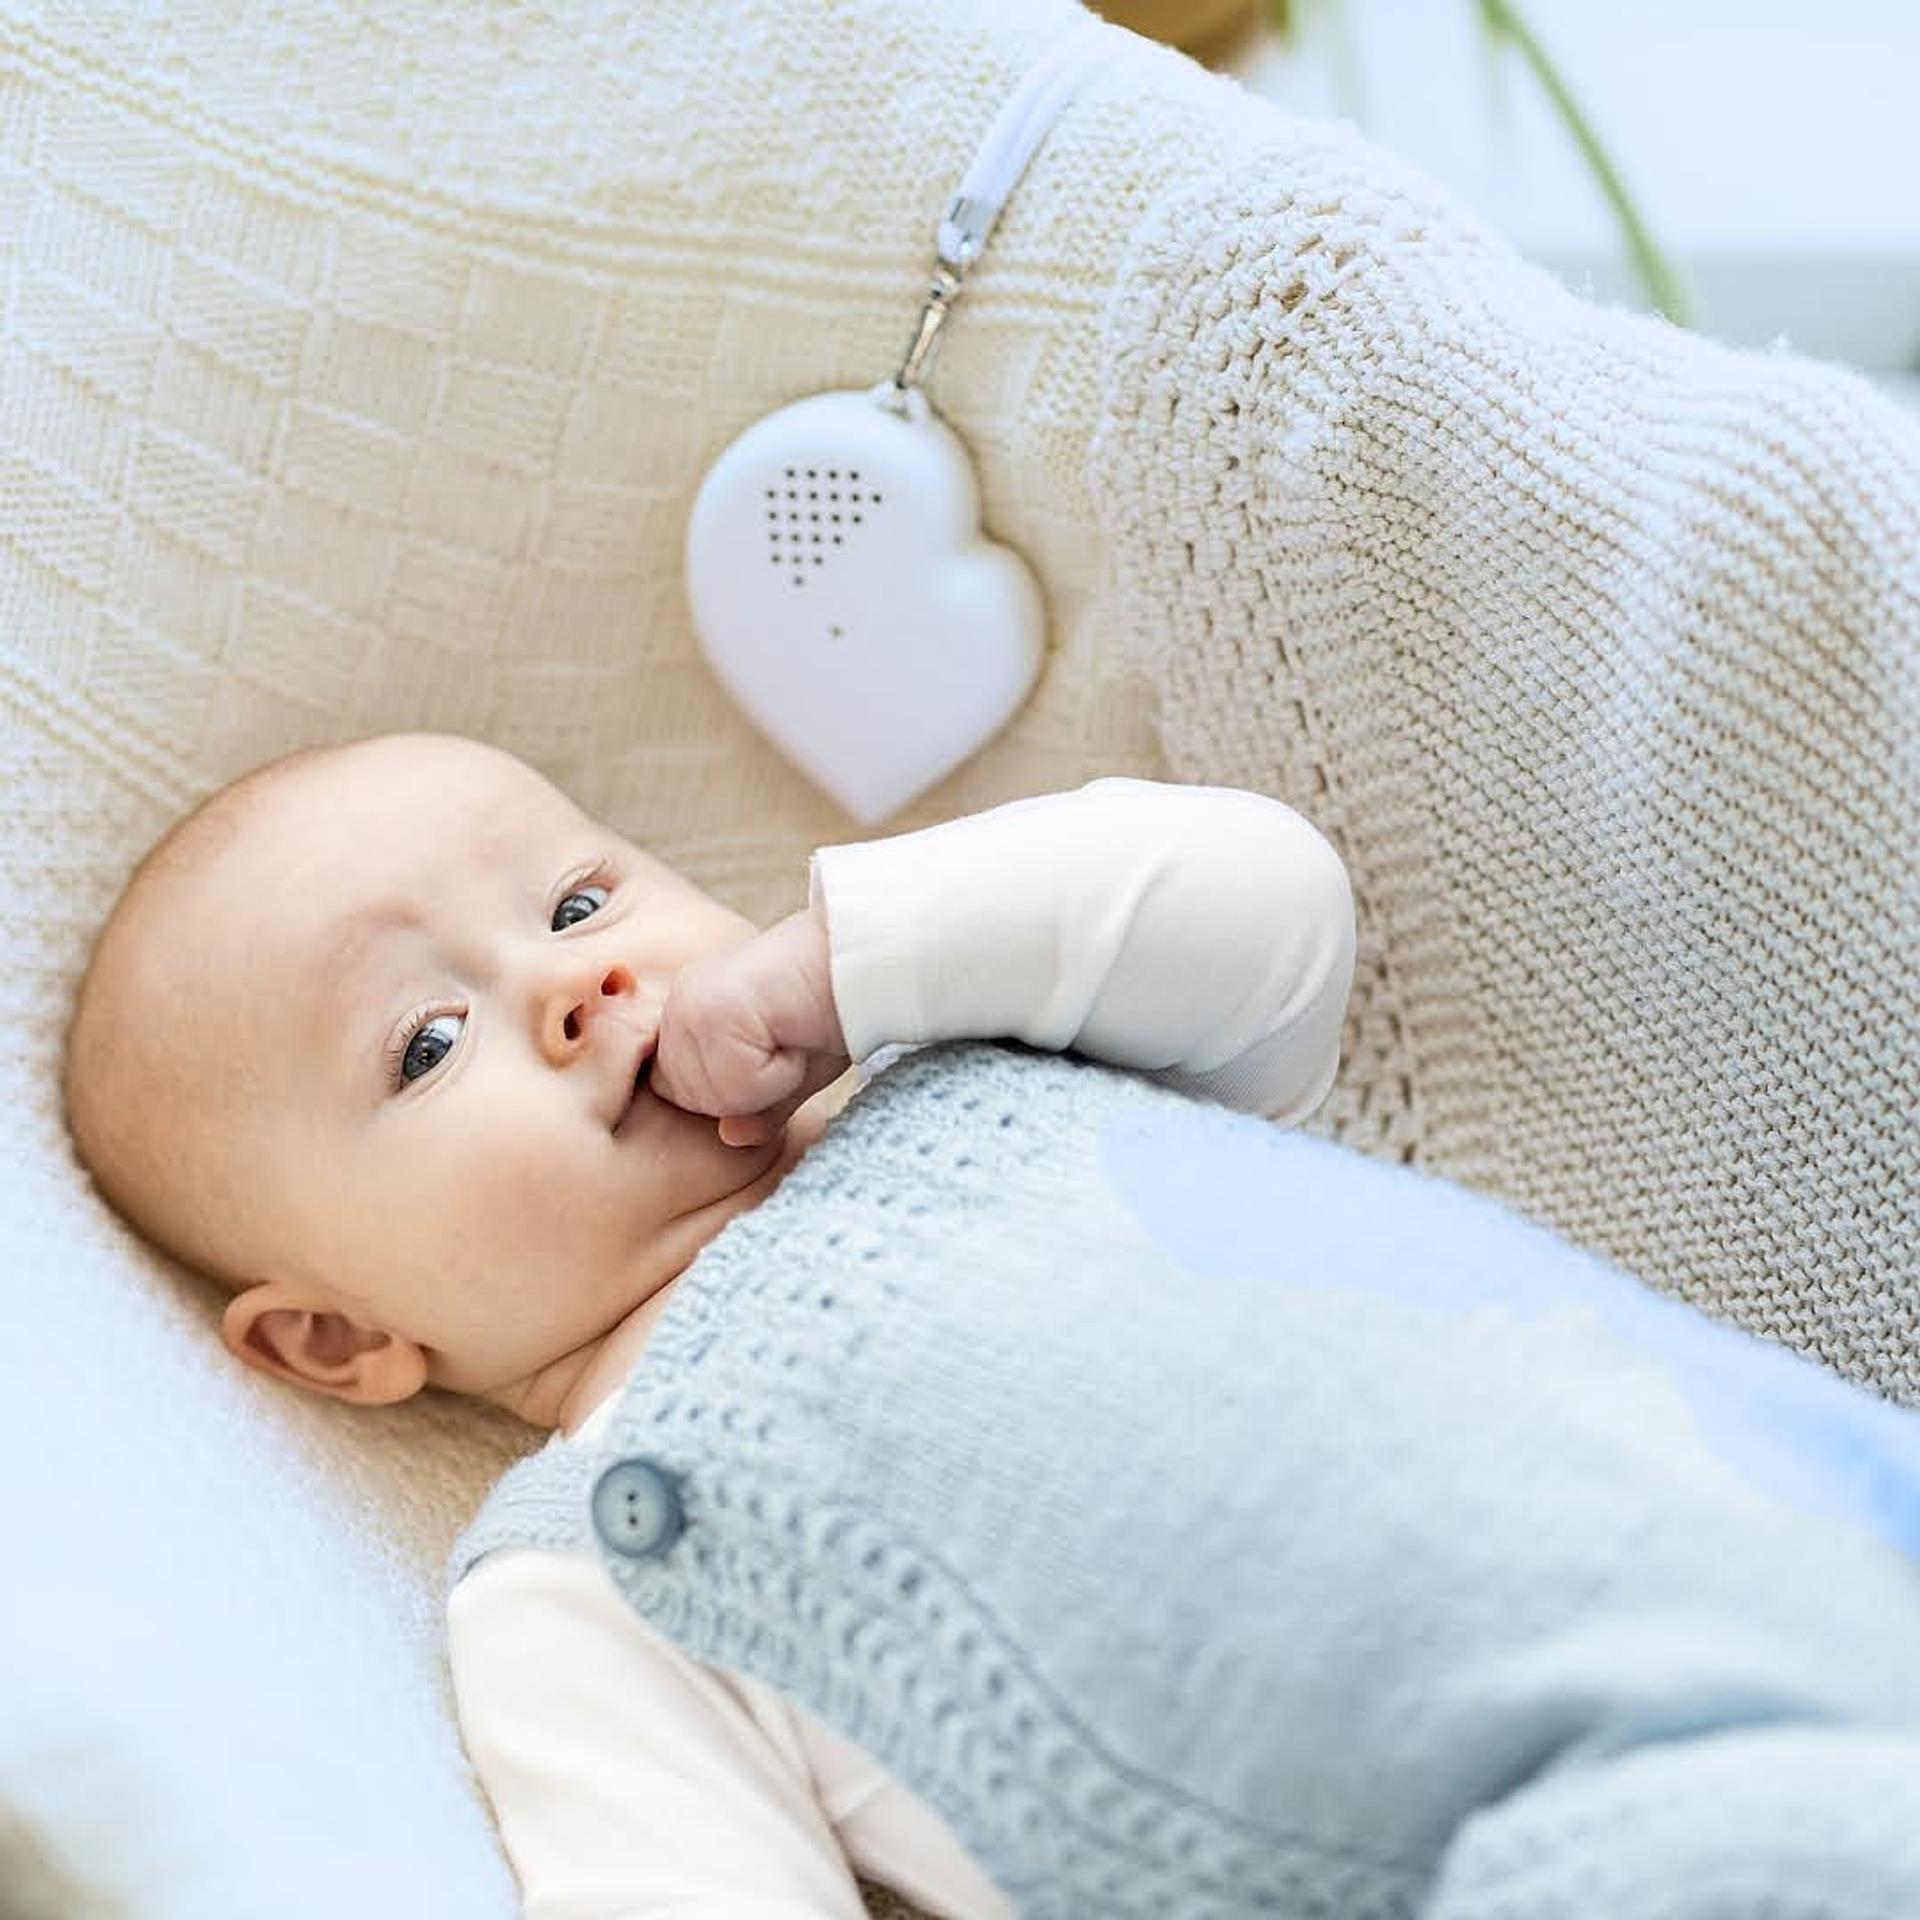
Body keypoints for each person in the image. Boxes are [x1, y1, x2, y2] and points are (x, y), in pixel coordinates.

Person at [62, 730, 1920, 1919]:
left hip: (1812, 1521)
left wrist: (849, 966)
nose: (576, 983)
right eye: (426, 1040)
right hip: (1516, 1834)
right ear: (337, 1344)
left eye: (575, 894)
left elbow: (1277, 918)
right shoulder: (591, 1577)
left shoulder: (959, 1037)